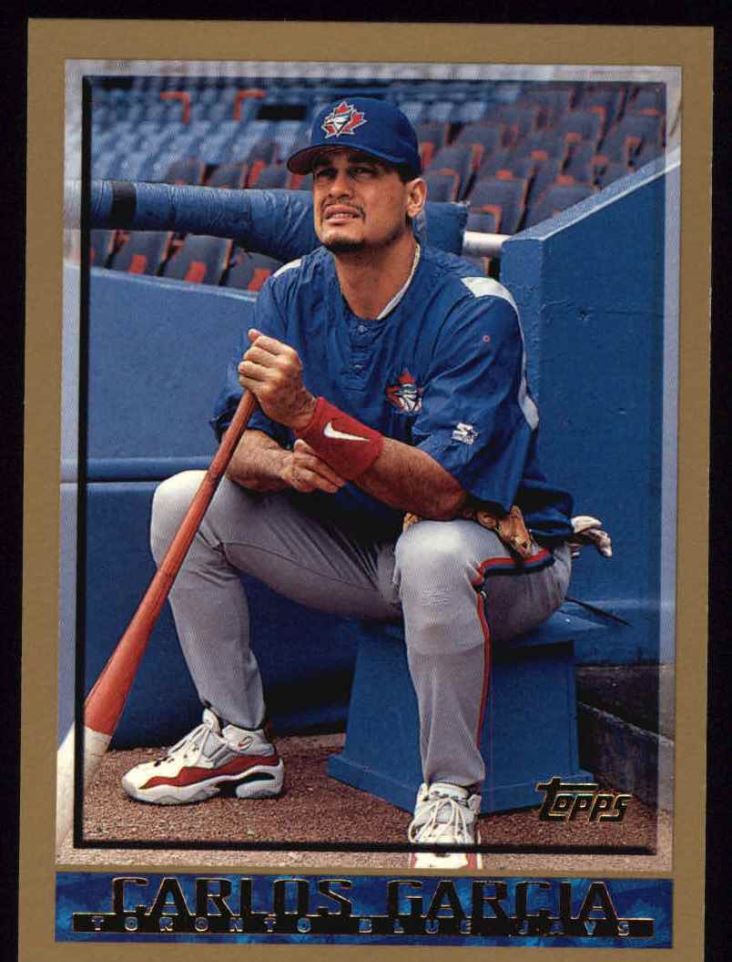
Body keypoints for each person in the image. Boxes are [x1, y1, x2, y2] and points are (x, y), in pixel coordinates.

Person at [121, 97, 574, 868]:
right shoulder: (293, 290)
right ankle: (238, 738)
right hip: (365, 551)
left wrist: (309, 416)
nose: (338, 187)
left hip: (503, 563)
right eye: (324, 172)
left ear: (414, 196)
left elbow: (441, 492)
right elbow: (236, 439)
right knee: (184, 500)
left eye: (363, 171)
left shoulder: (473, 308)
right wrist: (279, 463)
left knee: (434, 552)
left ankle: (450, 789)